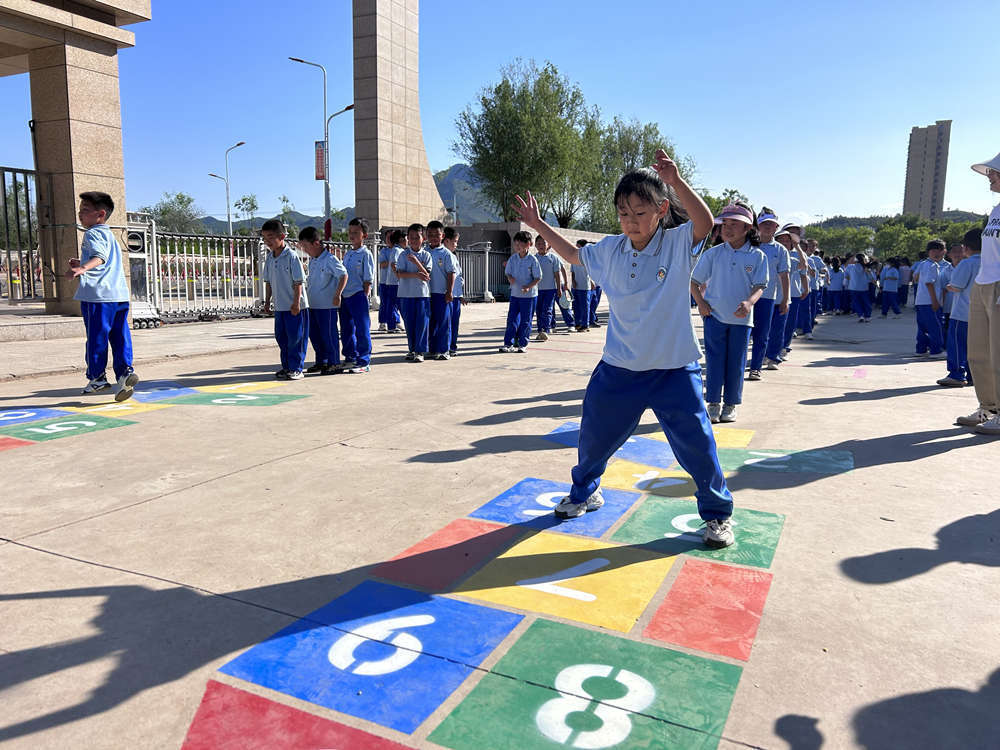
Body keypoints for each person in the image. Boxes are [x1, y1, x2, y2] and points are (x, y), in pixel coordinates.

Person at [512, 151, 734, 548]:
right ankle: (585, 493)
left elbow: (704, 221)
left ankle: (717, 515)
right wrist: (539, 224)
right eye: (623, 213)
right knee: (594, 438)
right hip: (619, 369)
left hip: (674, 369)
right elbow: (574, 254)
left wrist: (677, 180)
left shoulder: (676, 243)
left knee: (698, 446)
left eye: (639, 212)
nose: (631, 221)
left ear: (661, 210)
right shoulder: (611, 249)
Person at [691, 203, 768, 423]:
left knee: (736, 362)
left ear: (747, 228)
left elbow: (760, 285)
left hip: (742, 320)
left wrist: (749, 303)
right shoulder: (713, 254)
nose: (728, 228)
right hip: (714, 316)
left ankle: (731, 404)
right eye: (725, 224)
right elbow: (693, 282)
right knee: (715, 361)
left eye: (735, 224)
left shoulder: (757, 256)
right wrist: (701, 304)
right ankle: (713, 403)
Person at [67, 191, 139, 400]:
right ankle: (125, 373)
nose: (80, 214)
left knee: (97, 337)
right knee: (120, 335)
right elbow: (104, 258)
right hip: (118, 295)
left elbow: (100, 257)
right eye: (80, 210)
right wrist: (81, 264)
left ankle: (97, 379)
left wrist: (82, 269)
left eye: (85, 210)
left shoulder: (92, 233)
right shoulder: (110, 235)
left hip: (97, 297)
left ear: (100, 214)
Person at [957, 152, 1000, 434]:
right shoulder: (996, 210)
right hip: (984, 283)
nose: (989, 177)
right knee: (979, 352)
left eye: (994, 173)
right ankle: (988, 407)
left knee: (999, 352)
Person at [261, 218, 309, 380]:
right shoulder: (270, 257)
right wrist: (267, 301)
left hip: (295, 307)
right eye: (264, 238)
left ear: (281, 236)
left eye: (270, 237)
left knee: (296, 338)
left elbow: (298, 282)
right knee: (282, 338)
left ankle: (297, 368)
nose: (267, 241)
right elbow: (268, 282)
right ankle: (287, 366)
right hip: (280, 307)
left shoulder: (291, 256)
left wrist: (296, 303)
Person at [748, 207, 789, 380]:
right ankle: (737, 366)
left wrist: (785, 299)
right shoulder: (748, 245)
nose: (767, 227)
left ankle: (756, 367)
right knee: (743, 334)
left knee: (762, 334)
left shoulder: (780, 250)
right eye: (764, 224)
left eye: (771, 225)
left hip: (767, 297)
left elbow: (784, 275)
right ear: (758, 226)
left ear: (776, 228)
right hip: (745, 296)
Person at [300, 226, 347, 375]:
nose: (305, 250)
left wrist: (338, 294)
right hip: (313, 304)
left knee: (329, 335)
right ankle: (322, 361)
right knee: (315, 335)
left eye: (306, 246)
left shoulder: (330, 259)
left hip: (327, 305)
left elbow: (343, 275)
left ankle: (334, 363)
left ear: (316, 243)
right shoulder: (313, 261)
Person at [939, 230, 982, 388]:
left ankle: (957, 374)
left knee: (957, 345)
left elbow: (956, 286)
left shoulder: (967, 263)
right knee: (976, 348)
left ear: (966, 247)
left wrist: (949, 287)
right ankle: (973, 376)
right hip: (982, 314)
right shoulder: (992, 262)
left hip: (963, 313)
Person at [338, 218, 375, 374]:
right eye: (350, 232)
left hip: (358, 295)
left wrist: (364, 297)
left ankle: (364, 360)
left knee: (362, 328)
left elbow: (368, 279)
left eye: (356, 232)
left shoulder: (366, 254)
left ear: (364, 235)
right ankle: (350, 357)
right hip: (345, 296)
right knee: (346, 329)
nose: (352, 235)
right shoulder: (348, 254)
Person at [396, 223, 432, 362]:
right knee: (409, 324)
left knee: (422, 324)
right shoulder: (403, 255)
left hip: (422, 295)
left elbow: (427, 274)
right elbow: (399, 274)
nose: (414, 240)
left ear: (423, 238)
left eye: (417, 237)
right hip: (405, 294)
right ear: (408, 239)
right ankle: (412, 349)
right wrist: (416, 275)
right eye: (411, 238)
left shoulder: (426, 255)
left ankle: (420, 351)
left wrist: (416, 262)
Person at [500, 231, 541, 353]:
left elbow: (538, 277)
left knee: (526, 320)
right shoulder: (513, 258)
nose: (517, 246)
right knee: (511, 319)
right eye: (516, 244)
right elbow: (508, 272)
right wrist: (509, 278)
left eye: (520, 244)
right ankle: (508, 344)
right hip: (515, 295)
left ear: (529, 244)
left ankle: (523, 344)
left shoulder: (533, 260)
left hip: (529, 296)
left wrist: (528, 286)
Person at [426, 220, 457, 361]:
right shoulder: (423, 252)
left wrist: (449, 292)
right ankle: (432, 349)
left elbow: (451, 273)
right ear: (426, 235)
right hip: (426, 294)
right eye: (430, 234)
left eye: (436, 234)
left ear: (442, 235)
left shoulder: (446, 254)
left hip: (442, 294)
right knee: (431, 323)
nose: (433, 237)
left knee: (444, 323)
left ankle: (445, 350)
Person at [778, 224, 811, 360]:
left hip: (794, 293)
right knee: (777, 325)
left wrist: (806, 288)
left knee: (790, 324)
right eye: (790, 233)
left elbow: (804, 270)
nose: (793, 236)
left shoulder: (797, 254)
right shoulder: (777, 250)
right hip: (777, 294)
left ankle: (784, 346)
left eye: (796, 234)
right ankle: (774, 348)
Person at [914, 240, 946, 356]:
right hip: (929, 301)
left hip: (920, 301)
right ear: (928, 252)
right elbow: (929, 283)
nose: (936, 253)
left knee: (923, 327)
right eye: (933, 250)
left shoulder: (923, 264)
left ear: (943, 251)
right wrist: (935, 301)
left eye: (939, 250)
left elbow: (915, 277)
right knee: (935, 327)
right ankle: (936, 351)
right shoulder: (933, 265)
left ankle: (921, 349)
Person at [534, 234, 563, 341]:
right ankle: (540, 329)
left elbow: (557, 274)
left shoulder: (553, 258)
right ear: (535, 245)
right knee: (539, 310)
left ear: (549, 245)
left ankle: (546, 330)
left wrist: (559, 288)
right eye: (539, 243)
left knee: (547, 310)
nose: (541, 245)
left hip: (550, 289)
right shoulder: (534, 259)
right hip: (536, 290)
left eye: (543, 243)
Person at [443, 226, 465, 356]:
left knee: (454, 323)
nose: (456, 244)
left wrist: (461, 295)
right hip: (447, 295)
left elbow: (458, 278)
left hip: (456, 296)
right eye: (454, 241)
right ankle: (445, 345)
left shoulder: (453, 256)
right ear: (446, 240)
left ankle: (452, 346)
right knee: (446, 323)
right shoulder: (443, 255)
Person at [376, 230, 402, 333]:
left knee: (393, 303)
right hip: (384, 280)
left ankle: (395, 321)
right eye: (387, 238)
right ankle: (383, 322)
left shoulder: (398, 250)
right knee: (384, 302)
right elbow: (382, 264)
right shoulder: (384, 251)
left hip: (395, 281)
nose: (389, 240)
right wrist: (392, 262)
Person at [846, 253, 872, 323]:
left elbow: (846, 276)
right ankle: (868, 316)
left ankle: (861, 316)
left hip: (853, 287)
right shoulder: (866, 267)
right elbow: (871, 277)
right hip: (864, 287)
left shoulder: (850, 266)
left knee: (856, 302)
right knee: (866, 302)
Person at [570, 249, 592, 332]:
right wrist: (573, 281)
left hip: (585, 287)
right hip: (575, 287)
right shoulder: (573, 260)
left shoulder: (588, 260)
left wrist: (592, 283)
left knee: (585, 307)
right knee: (575, 306)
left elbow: (591, 274)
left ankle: (585, 325)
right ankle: (577, 323)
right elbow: (572, 272)